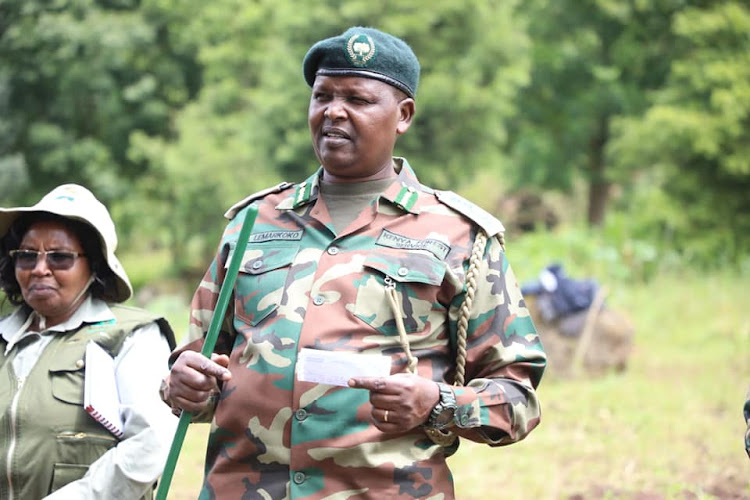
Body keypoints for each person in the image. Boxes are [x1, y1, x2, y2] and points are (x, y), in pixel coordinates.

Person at [161, 26, 546, 499]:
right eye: (322, 96)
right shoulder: (252, 223)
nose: (333, 112)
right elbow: (201, 366)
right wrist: (184, 384)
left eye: (358, 100)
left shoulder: (460, 236)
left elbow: (518, 400)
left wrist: (437, 403)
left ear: (403, 115)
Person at [0, 184, 178, 499]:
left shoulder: (131, 337)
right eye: (27, 256)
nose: (40, 269)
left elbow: (150, 445)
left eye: (60, 257)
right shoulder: (5, 339)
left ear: (93, 266)